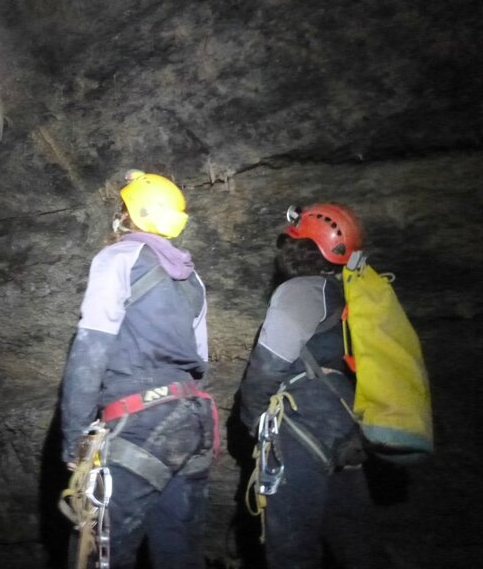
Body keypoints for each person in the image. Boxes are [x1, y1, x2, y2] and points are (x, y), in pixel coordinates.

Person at [60, 171, 217, 569]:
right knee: (180, 554)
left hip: (140, 422)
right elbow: (200, 362)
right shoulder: (192, 279)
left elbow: (91, 348)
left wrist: (75, 441)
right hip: (192, 421)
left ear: (125, 216)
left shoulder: (118, 258)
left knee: (100, 553)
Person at [238, 203, 375, 569]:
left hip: (302, 426)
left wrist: (252, 421)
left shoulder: (301, 291)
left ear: (302, 249)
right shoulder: (351, 295)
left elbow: (267, 367)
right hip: (348, 423)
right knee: (355, 542)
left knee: (292, 550)